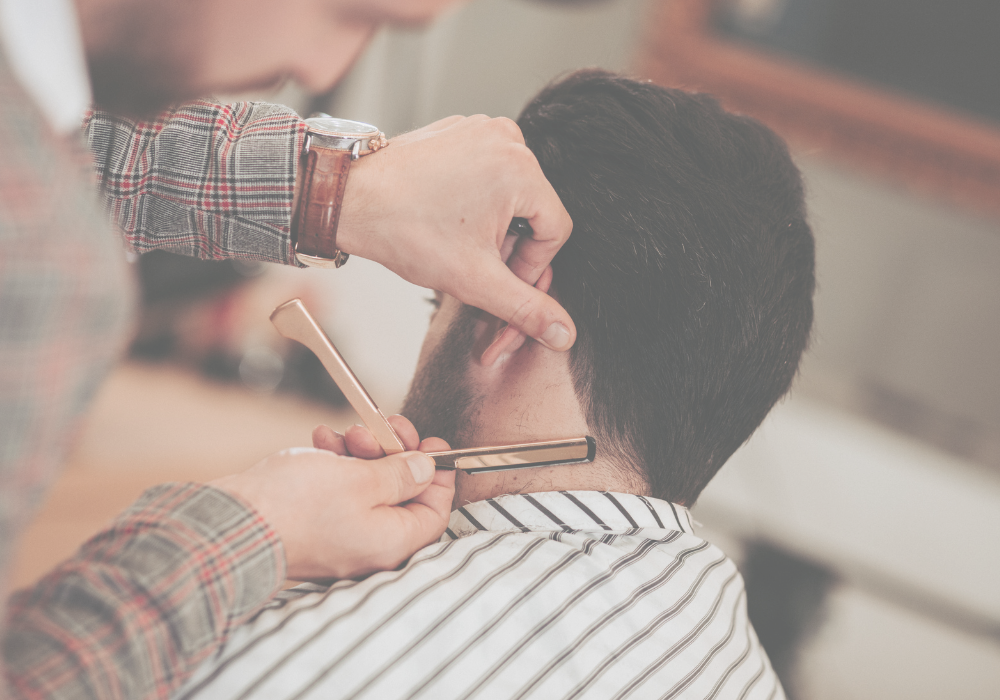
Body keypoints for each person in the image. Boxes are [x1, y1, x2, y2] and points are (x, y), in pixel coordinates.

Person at [0, 0, 582, 697]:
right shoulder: (43, 269)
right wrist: (251, 536)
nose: (323, 68)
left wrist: (345, 188)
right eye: (349, 11)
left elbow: (59, 139)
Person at [174, 70, 816, 700]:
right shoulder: (742, 670)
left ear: (507, 319)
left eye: (438, 305)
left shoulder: (302, 663)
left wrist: (241, 545)